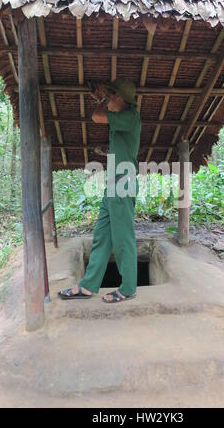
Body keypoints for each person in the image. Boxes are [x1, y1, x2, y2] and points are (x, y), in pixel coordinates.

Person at [58, 77, 141, 303]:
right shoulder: (119, 119)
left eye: (112, 95)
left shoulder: (129, 117)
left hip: (123, 184)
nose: (108, 99)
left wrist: (102, 99)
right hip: (113, 184)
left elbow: (96, 116)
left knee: (123, 237)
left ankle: (128, 287)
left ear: (120, 98)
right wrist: (105, 98)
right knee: (102, 235)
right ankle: (88, 284)